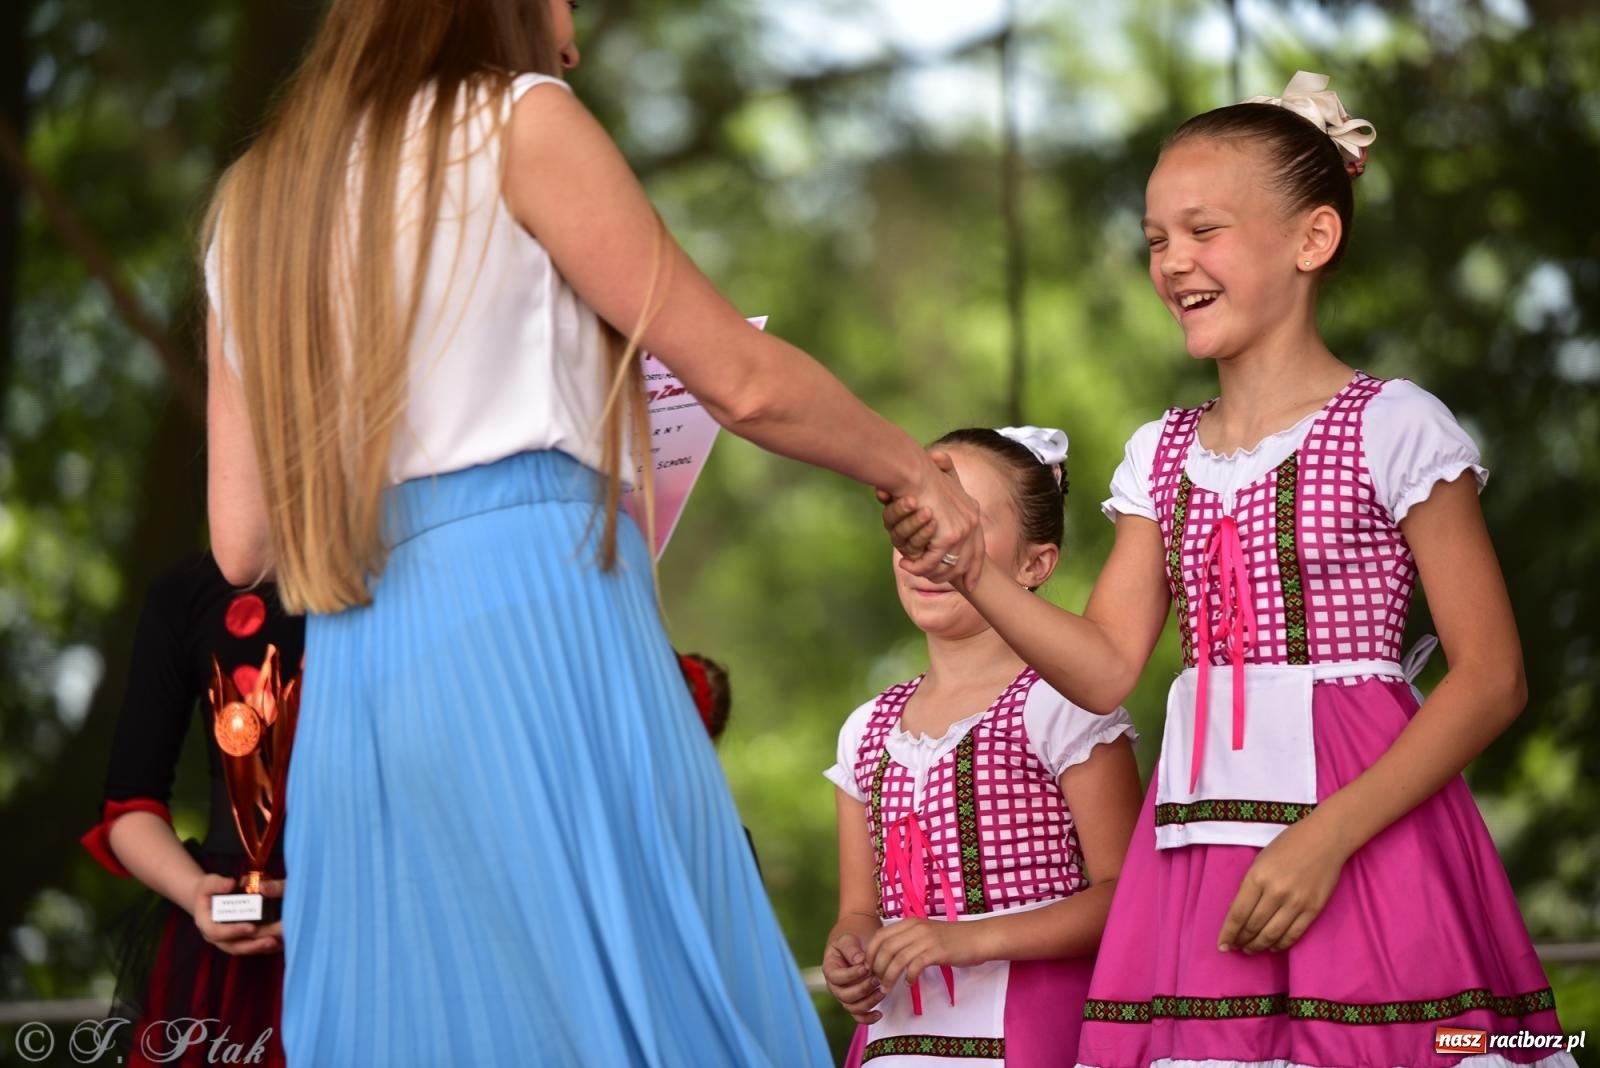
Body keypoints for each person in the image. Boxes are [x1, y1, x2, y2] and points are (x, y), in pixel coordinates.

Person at [199, 0, 980, 1063]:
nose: (568, 36)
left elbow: (241, 542)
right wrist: (907, 466)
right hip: (534, 625)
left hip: (359, 675)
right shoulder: (521, 118)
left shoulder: (252, 202)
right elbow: (742, 381)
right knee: (643, 991)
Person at [886, 73, 1574, 1067]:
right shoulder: (1157, 455)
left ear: (1312, 240)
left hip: (1368, 832)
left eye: (1202, 231)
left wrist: (1326, 838)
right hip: (1201, 849)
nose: (1172, 262)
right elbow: (1105, 668)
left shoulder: (1394, 424)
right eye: (1157, 239)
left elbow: (1491, 678)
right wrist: (971, 569)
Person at [825, 428, 1142, 1067]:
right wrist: (849, 950)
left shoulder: (1062, 703)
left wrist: (966, 939)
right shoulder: (866, 730)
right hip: (898, 1041)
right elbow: (859, 909)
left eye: (961, 522)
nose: (929, 545)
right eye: (917, 518)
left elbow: (1127, 897)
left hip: (1031, 1030)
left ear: (1035, 564)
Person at [81, 552, 304, 1067]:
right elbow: (128, 808)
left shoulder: (407, 573)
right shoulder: (186, 592)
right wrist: (195, 892)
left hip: (377, 929)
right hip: (232, 958)